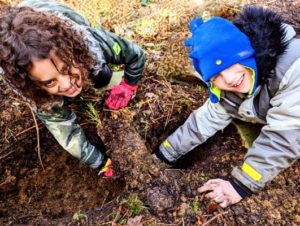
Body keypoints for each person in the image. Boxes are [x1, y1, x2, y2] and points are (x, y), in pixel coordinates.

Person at [154, 6, 300, 207]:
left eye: (231, 63)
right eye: (216, 75)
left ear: (245, 50)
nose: (229, 79)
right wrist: (161, 156)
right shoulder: (228, 87)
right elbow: (203, 122)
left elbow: (284, 136)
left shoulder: (293, 67)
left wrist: (240, 185)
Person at [0, 0, 145, 177]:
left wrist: (129, 84)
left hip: (53, 15)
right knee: (55, 100)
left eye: (66, 69)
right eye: (49, 82)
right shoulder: (29, 88)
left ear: (76, 53)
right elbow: (67, 136)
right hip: (21, 49)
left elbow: (135, 54)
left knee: (101, 76)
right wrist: (101, 163)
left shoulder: (90, 43)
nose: (67, 84)